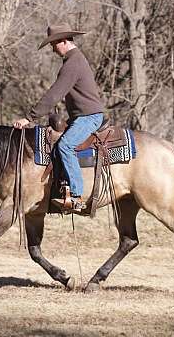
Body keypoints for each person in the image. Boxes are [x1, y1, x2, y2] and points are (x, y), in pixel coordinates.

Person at [13, 23, 105, 211]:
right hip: (82, 116)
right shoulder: (74, 60)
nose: (53, 49)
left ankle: (77, 197)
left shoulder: (73, 63)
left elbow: (54, 94)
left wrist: (29, 118)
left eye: (53, 44)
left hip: (89, 117)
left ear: (63, 41)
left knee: (65, 146)